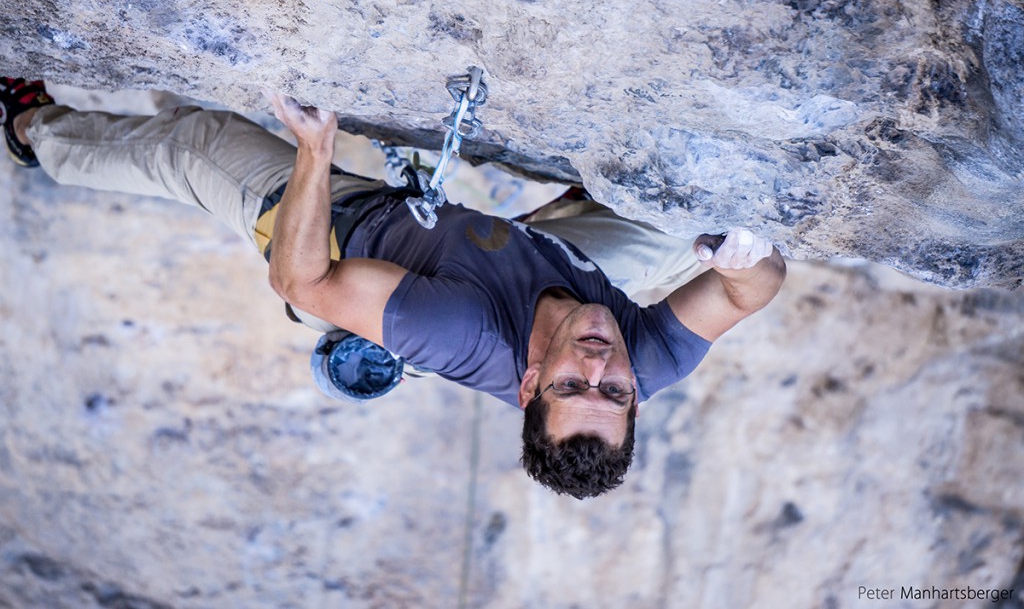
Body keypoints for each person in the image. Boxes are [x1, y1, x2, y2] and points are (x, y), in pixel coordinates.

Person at [2, 77, 786, 499]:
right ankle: (564, 223)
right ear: (634, 400)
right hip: (536, 262)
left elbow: (303, 279)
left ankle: (31, 133)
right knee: (698, 236)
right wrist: (743, 256)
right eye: (612, 391)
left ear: (528, 384)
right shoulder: (635, 359)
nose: (597, 363)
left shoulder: (459, 330)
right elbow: (757, 290)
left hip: (337, 233)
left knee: (196, 143)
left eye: (573, 384)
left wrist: (314, 150)